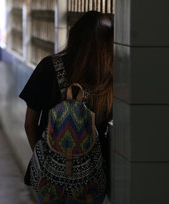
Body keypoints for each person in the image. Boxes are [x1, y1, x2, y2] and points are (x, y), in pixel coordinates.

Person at [20, 11, 113, 204]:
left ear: (74, 36)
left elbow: (30, 125)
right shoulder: (111, 77)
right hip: (92, 178)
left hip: (49, 179)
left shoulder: (49, 66)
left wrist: (48, 161)